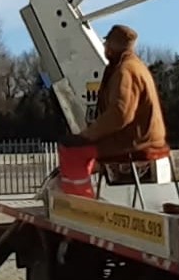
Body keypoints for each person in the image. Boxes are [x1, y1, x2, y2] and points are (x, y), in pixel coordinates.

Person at [65, 24, 170, 183]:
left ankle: (78, 198)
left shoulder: (125, 71)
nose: (105, 46)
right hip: (149, 137)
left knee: (74, 150)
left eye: (107, 42)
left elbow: (120, 114)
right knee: (84, 148)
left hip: (136, 142)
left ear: (112, 46)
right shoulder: (137, 66)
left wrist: (87, 135)